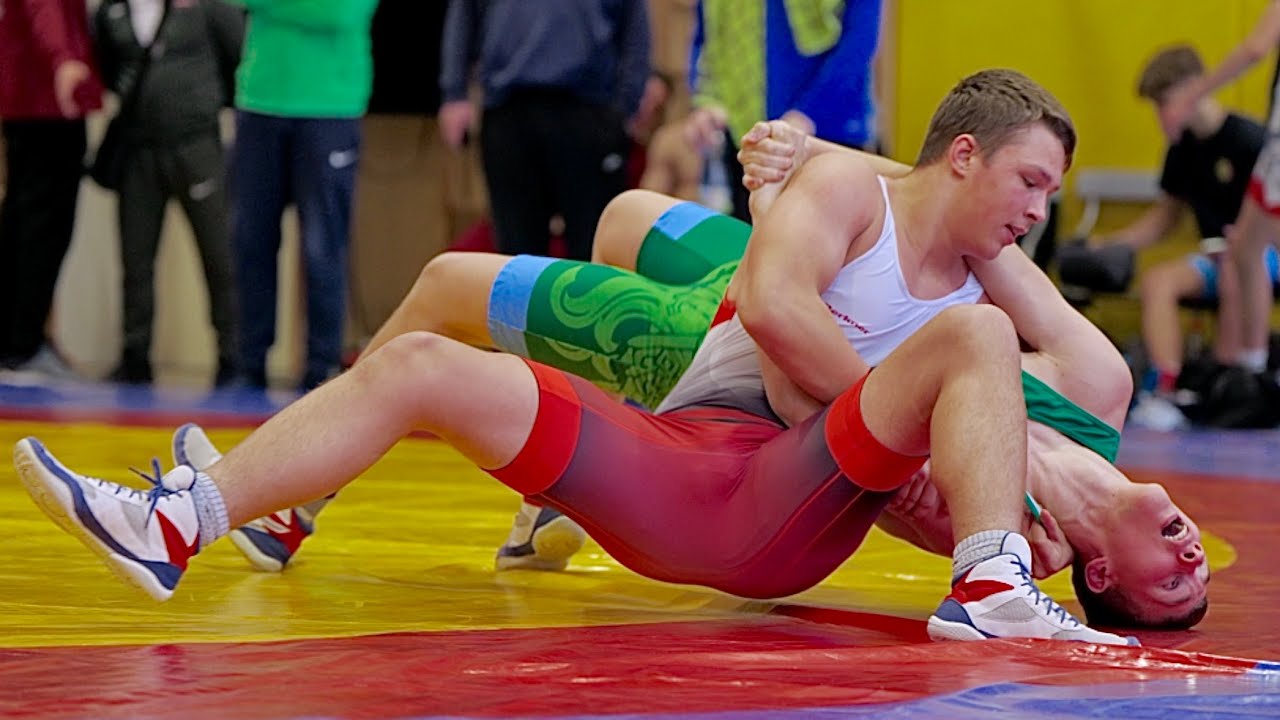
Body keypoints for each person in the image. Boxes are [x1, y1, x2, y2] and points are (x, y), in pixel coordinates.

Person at [14, 69, 1136, 645]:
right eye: (1028, 185)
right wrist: (837, 164)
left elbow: (1076, 365)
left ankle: (983, 587)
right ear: (961, 156)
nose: (1037, 214)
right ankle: (180, 522)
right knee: (478, 315)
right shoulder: (876, 215)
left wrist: (952, 461)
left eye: (1046, 193)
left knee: (971, 331)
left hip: (761, 476)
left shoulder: (981, 301)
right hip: (704, 430)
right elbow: (786, 306)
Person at [1097, 45, 1274, 430]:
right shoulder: (1182, 151)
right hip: (1216, 255)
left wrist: (1245, 243)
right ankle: (1169, 388)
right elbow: (1164, 219)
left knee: (1236, 265)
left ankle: (1228, 381)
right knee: (1158, 281)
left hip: (1266, 253)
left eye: (1166, 103)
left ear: (1197, 87)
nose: (1161, 117)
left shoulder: (1248, 140)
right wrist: (1113, 242)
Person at [226, 0, 380, 392]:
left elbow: (341, 13)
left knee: (322, 246)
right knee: (250, 241)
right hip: (259, 101)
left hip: (330, 106)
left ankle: (322, 366)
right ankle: (249, 364)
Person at [94, 0, 244, 386]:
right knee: (136, 257)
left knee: (219, 254)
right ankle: (134, 357)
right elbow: (109, 69)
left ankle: (232, 355)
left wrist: (198, 106)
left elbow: (236, 61)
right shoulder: (111, 12)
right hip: (138, 149)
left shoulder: (208, 8)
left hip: (196, 147)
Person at [438, 0, 651, 260]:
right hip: (509, 109)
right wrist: (454, 92)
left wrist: (624, 107)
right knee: (516, 255)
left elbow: (635, 25)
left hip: (588, 108)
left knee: (594, 252)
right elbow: (464, 12)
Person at [685, 0, 883, 221]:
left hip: (829, 139)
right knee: (753, 244)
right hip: (748, 141)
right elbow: (707, 36)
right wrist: (706, 102)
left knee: (825, 245)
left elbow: (859, 41)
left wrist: (807, 114)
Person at [1165, 1, 1280, 377]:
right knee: (1247, 245)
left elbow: (1255, 48)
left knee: (1247, 247)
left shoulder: (1242, 136)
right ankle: (1251, 369)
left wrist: (1194, 92)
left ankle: (1250, 369)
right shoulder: (1185, 151)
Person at [0, 0, 103, 377]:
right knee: (44, 229)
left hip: (27, 99)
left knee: (20, 222)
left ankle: (15, 341)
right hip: (50, 100)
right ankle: (23, 346)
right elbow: (46, 8)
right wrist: (62, 59)